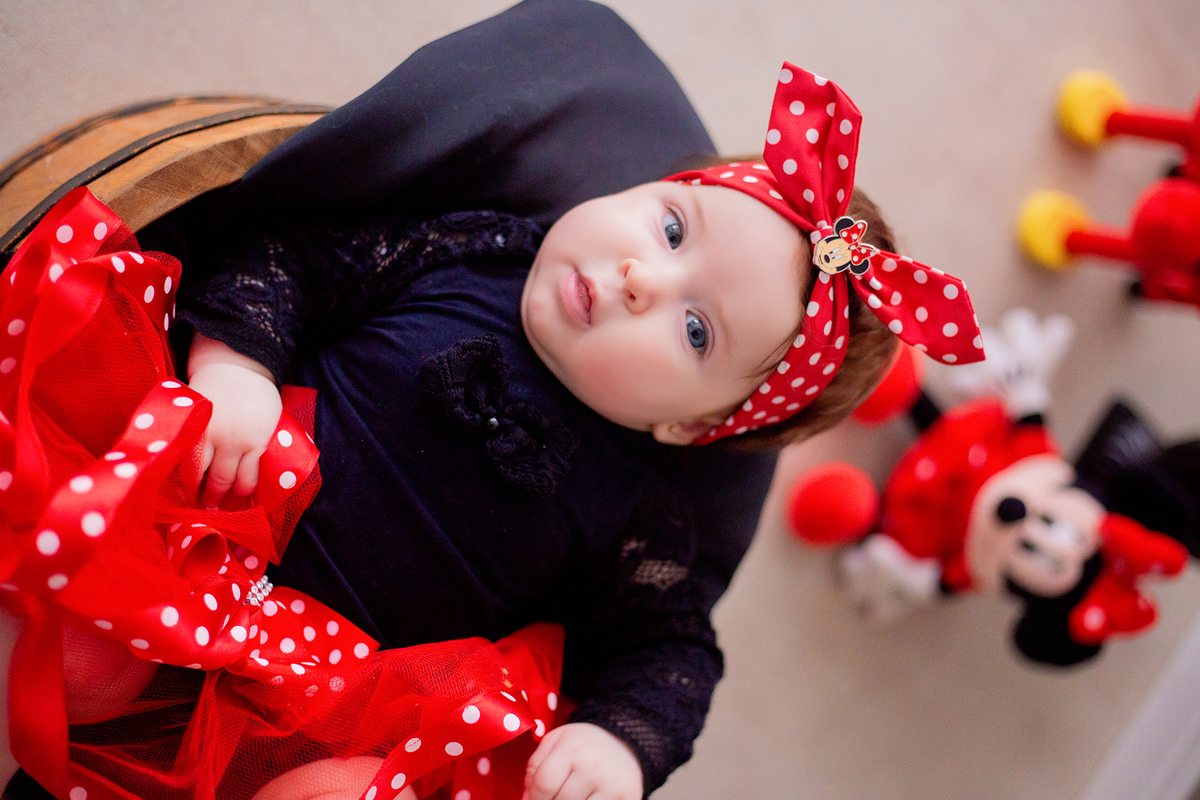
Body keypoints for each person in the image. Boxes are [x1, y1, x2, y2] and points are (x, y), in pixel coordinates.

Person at [0, 3, 984, 799]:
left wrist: (620, 742)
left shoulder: (646, 507)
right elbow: (291, 259)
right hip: (201, 522)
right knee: (72, 644)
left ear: (691, 424)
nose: (641, 278)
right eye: (672, 227)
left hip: (316, 689)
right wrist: (239, 366)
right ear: (655, 185)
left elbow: (668, 648)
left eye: (696, 331)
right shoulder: (469, 248)